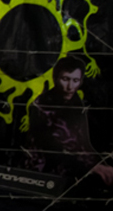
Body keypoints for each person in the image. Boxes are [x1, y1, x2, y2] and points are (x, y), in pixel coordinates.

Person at [24, 56, 113, 186]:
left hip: (72, 168)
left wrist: (102, 165)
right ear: (55, 78)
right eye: (65, 79)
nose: (70, 87)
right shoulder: (42, 105)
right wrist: (93, 167)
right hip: (43, 173)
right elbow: (60, 144)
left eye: (75, 80)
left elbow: (83, 142)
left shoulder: (75, 101)